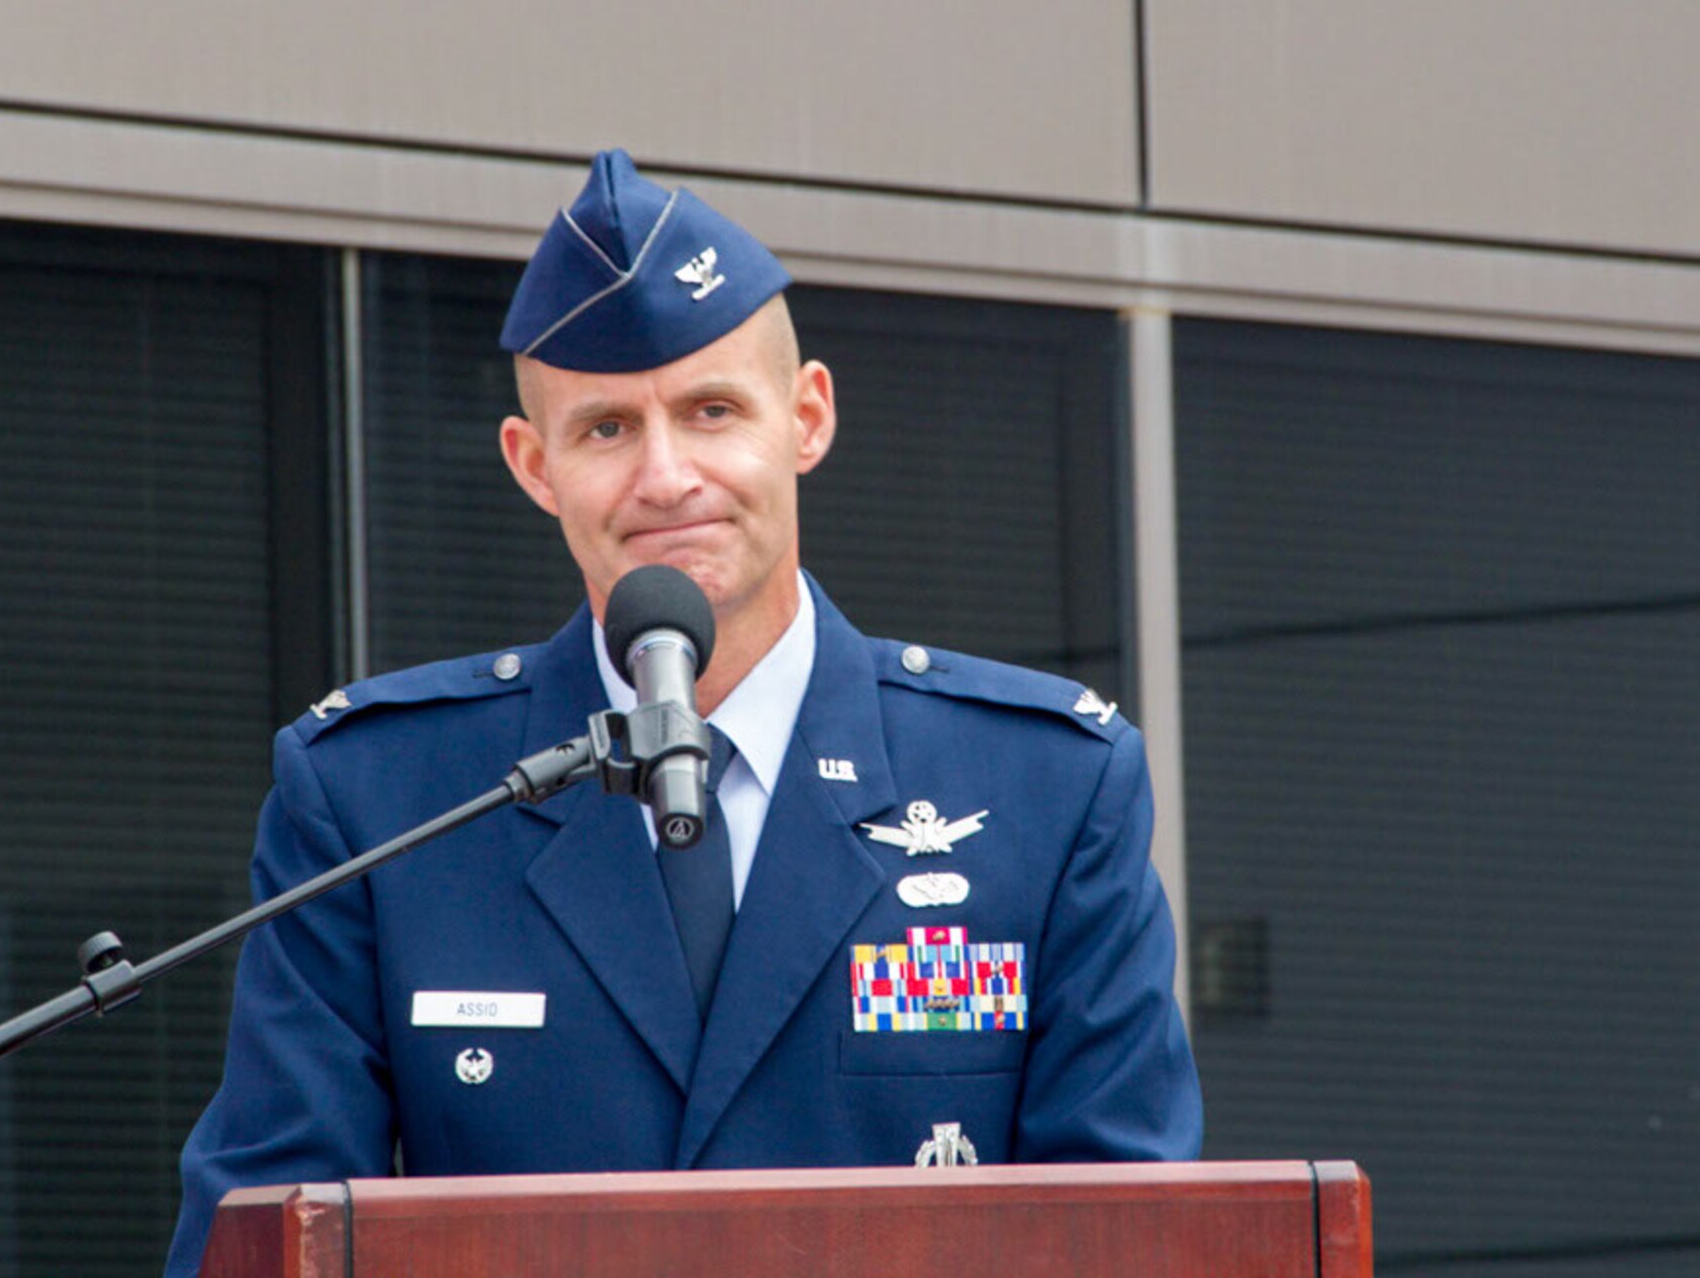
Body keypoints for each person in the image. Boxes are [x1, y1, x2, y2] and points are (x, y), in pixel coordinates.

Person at [165, 149, 1200, 1277]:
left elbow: (1130, 1240)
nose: (665, 477)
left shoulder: (1046, 788)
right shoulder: (380, 799)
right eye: (606, 429)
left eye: (712, 410)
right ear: (534, 465)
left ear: (806, 418)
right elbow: (266, 1233)